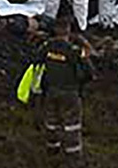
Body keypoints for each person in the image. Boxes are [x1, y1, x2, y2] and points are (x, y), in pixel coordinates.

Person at [31, 19, 94, 155]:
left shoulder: (46, 47)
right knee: (72, 124)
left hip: (50, 91)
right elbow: (89, 72)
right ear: (69, 30)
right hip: (70, 92)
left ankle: (52, 148)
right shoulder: (73, 51)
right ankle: (73, 153)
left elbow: (36, 61)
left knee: (51, 121)